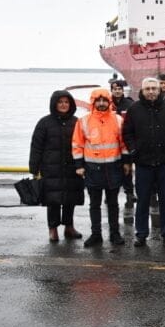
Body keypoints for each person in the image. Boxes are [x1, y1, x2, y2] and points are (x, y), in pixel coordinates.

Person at [123, 77, 165, 246]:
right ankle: (141, 233)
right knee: (143, 200)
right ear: (142, 90)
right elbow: (127, 133)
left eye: (154, 88)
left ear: (159, 90)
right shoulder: (134, 109)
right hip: (143, 163)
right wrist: (134, 150)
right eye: (148, 88)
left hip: (164, 163)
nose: (151, 91)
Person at [72, 89, 130, 247]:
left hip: (114, 167)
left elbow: (124, 143)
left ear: (109, 101)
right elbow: (77, 145)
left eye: (105, 100)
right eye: (98, 100)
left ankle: (114, 234)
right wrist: (79, 166)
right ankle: (96, 234)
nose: (102, 103)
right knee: (94, 204)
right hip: (92, 168)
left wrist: (126, 162)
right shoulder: (83, 121)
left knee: (113, 204)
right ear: (93, 102)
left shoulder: (118, 119)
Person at [30, 90, 85, 242]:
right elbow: (36, 146)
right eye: (60, 102)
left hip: (72, 167)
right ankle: (52, 229)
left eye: (66, 102)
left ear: (71, 104)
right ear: (54, 104)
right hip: (51, 167)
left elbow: (84, 144)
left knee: (70, 198)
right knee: (52, 199)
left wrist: (84, 164)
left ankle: (69, 226)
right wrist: (34, 168)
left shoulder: (77, 122)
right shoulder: (44, 122)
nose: (63, 105)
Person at [109, 77, 135, 202]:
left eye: (120, 89)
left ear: (123, 90)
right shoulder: (107, 104)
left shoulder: (130, 104)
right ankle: (109, 194)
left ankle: (129, 192)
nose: (118, 91)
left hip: (125, 140)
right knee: (111, 169)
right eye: (115, 89)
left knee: (127, 169)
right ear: (111, 91)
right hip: (110, 142)